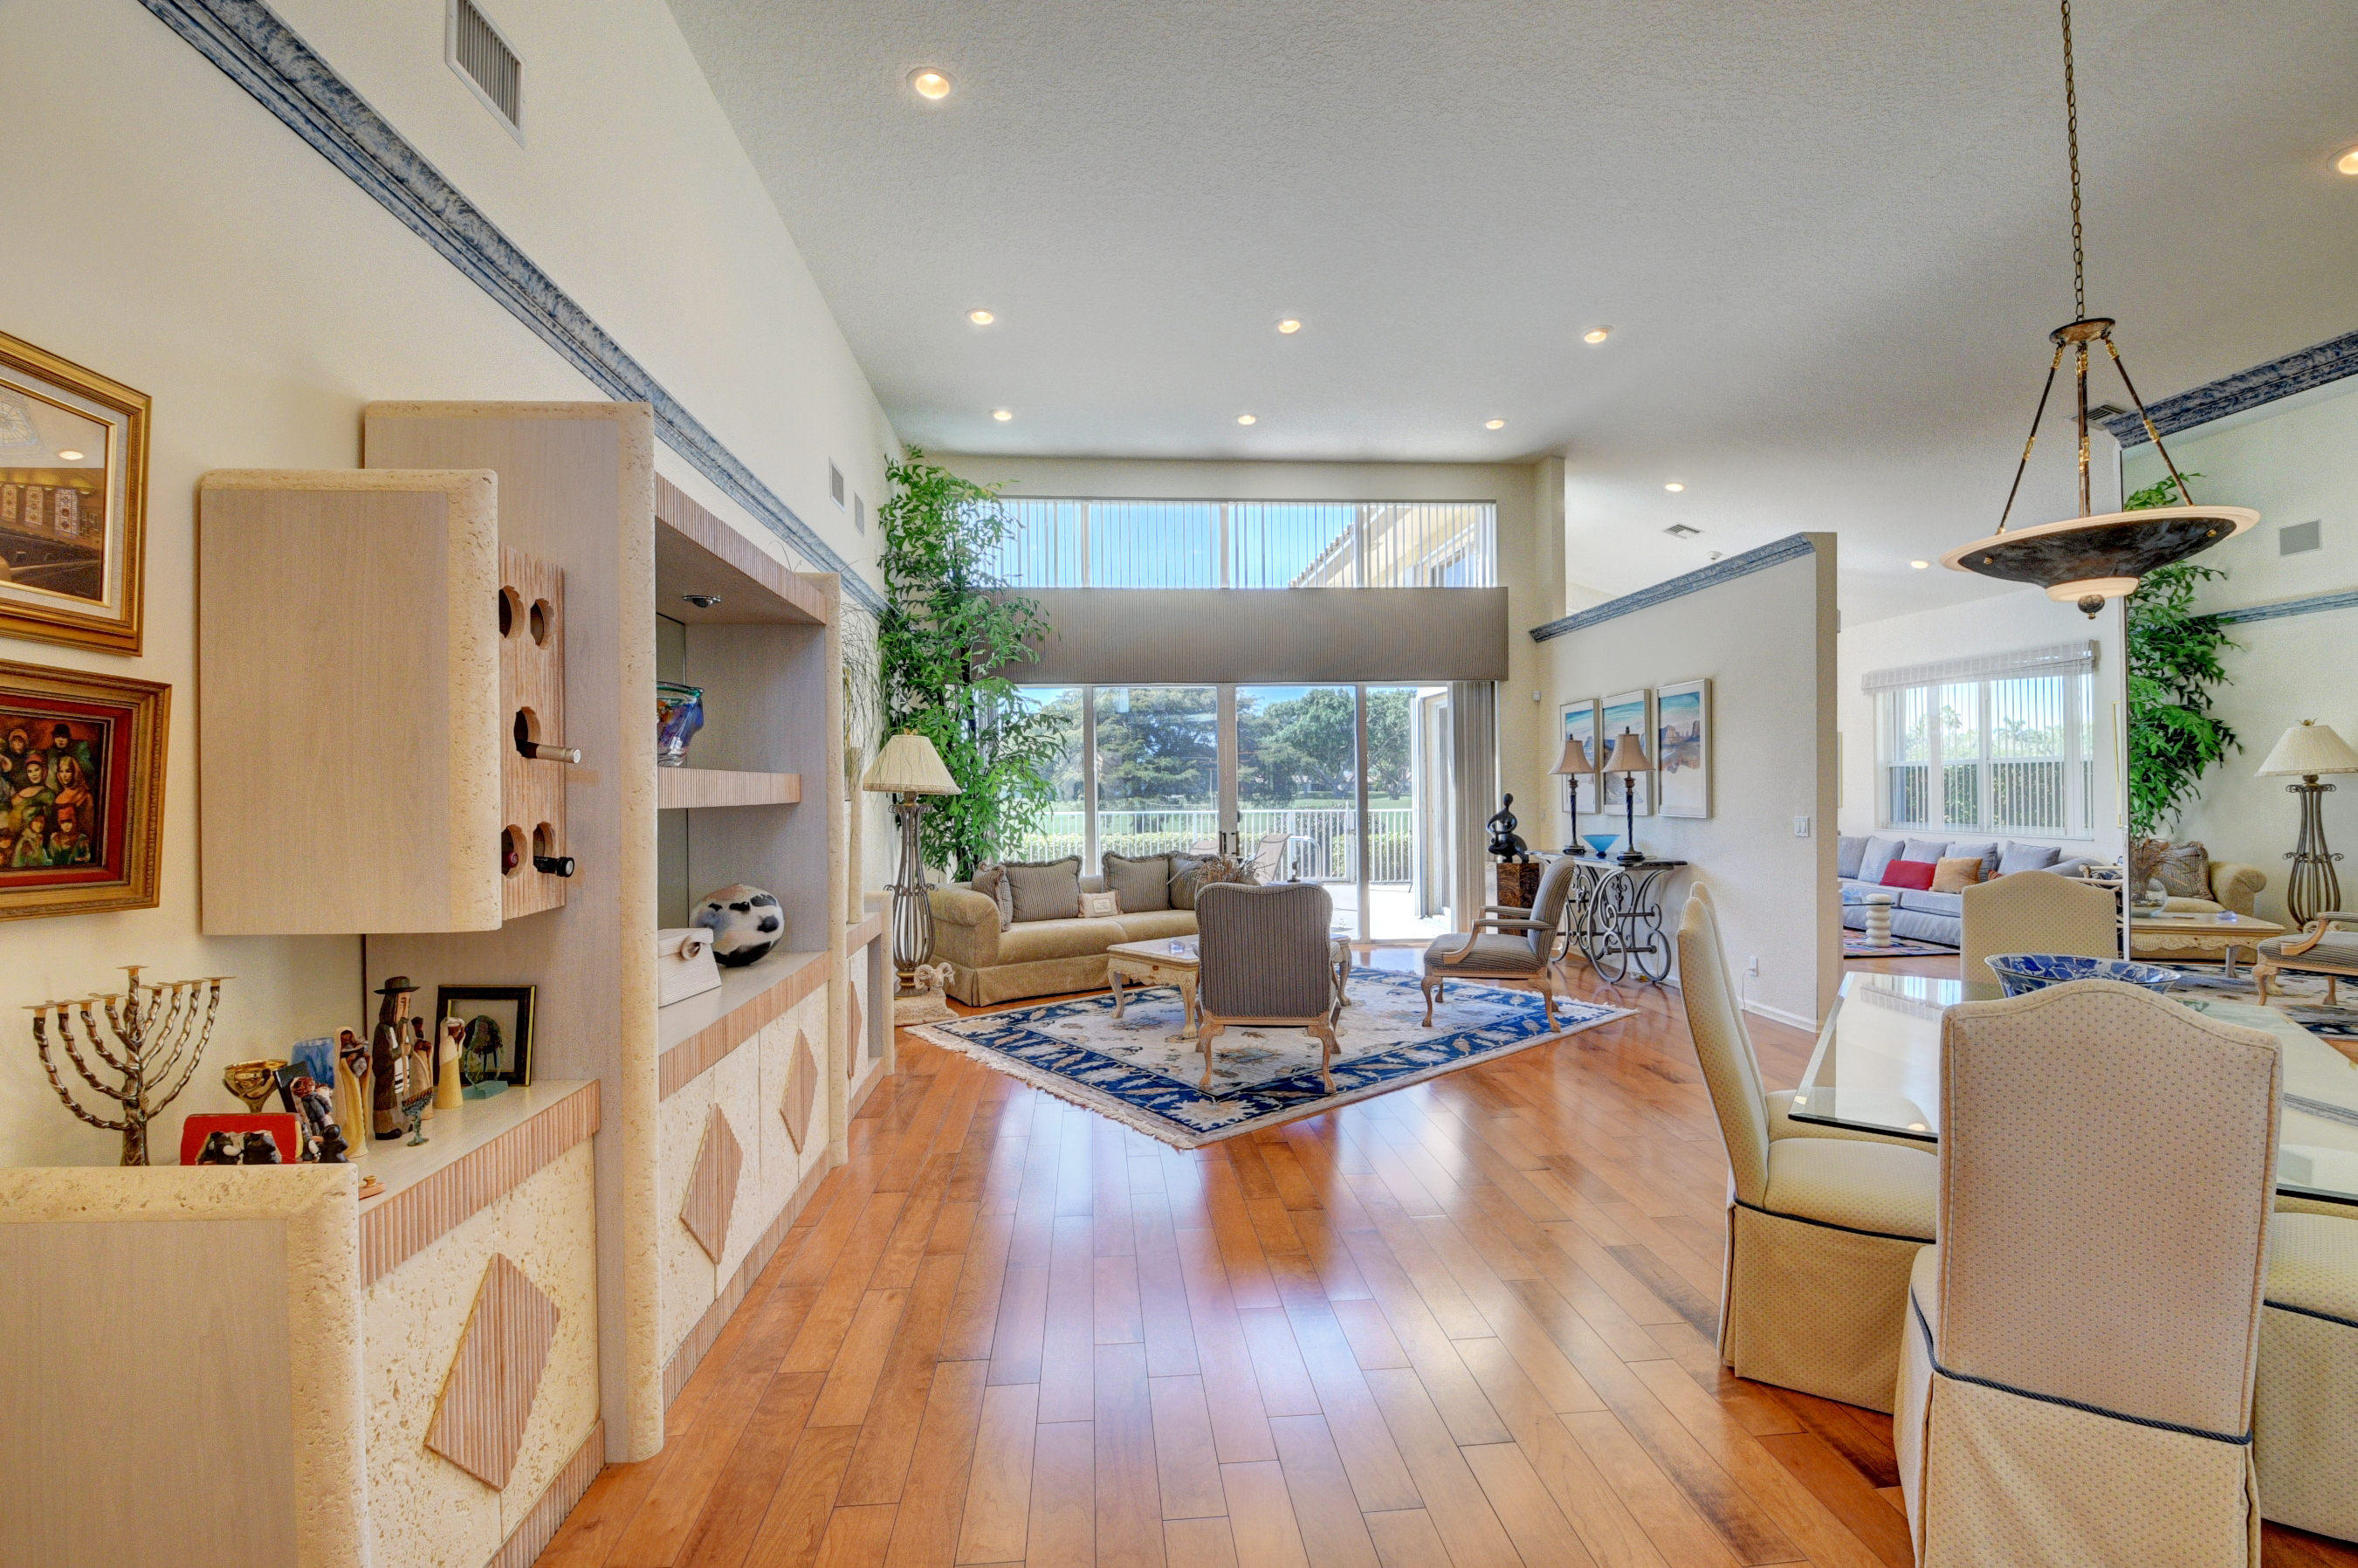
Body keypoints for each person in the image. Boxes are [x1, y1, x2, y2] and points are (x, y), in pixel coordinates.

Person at [45, 800, 91, 866]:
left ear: (74, 821)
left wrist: (77, 860)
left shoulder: (82, 838)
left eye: (69, 821)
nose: (66, 825)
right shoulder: (54, 837)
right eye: (63, 822)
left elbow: (87, 858)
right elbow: (50, 858)